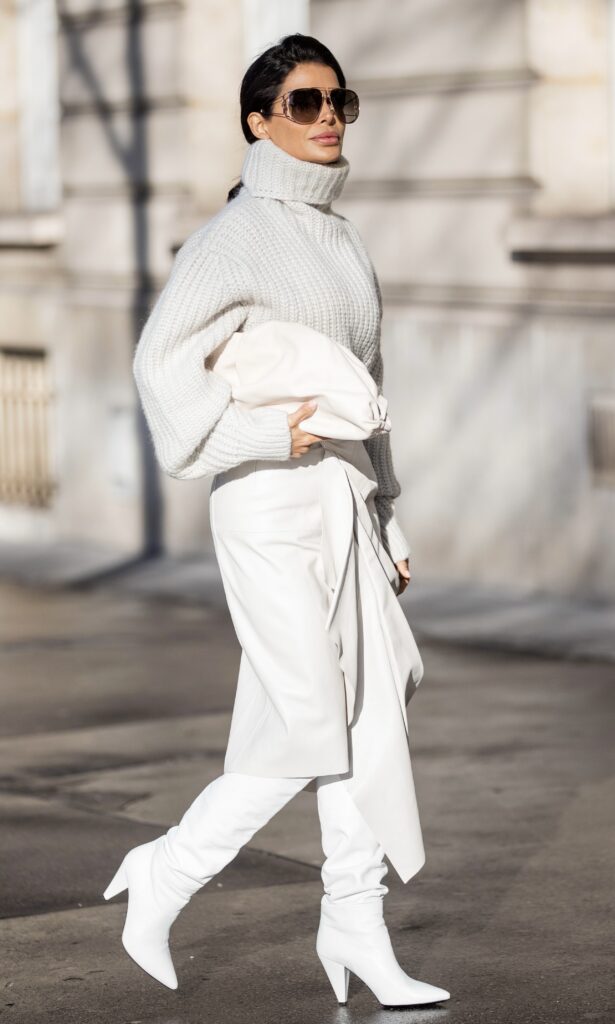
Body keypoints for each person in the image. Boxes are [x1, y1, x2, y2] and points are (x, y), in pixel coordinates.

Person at [103, 32, 450, 1009]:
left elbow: (369, 387)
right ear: (259, 120)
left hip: (343, 495)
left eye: (340, 99)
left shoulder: (344, 238)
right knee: (307, 721)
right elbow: (158, 363)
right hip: (265, 501)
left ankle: (356, 922)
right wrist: (258, 432)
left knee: (367, 717)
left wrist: (389, 517)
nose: (329, 115)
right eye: (305, 102)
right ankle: (165, 872)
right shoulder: (233, 236)